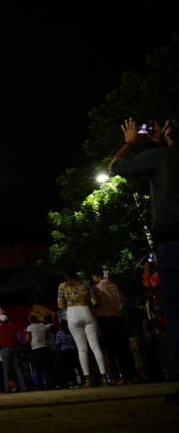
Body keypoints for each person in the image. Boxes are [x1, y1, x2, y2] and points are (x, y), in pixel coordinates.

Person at [109, 116, 179, 402]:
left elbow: (114, 168)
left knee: (176, 311)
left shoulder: (160, 157)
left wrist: (129, 143)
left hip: (173, 237)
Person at [57, 268, 110, 388]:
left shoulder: (62, 286)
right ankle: (104, 378)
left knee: (82, 349)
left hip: (72, 314)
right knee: (96, 347)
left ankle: (87, 380)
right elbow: (94, 302)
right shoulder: (85, 285)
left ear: (66, 276)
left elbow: (60, 304)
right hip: (87, 312)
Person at [91, 269, 136, 384]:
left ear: (96, 276)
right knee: (125, 348)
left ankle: (122, 377)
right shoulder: (113, 285)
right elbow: (121, 300)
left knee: (114, 350)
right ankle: (132, 375)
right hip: (119, 318)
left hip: (106, 320)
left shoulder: (96, 288)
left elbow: (95, 304)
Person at [0, 314, 28, 392]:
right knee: (18, 369)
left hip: (5, 350)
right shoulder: (13, 328)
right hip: (14, 349)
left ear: (1, 321)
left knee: (6, 370)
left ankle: (6, 388)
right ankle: (23, 386)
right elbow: (19, 339)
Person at [25, 315, 57, 390]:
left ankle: (41, 385)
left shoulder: (29, 327)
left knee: (38, 369)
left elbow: (27, 339)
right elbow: (48, 337)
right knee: (48, 368)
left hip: (36, 349)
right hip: (45, 348)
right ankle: (51, 384)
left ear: (30, 320)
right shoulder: (43, 326)